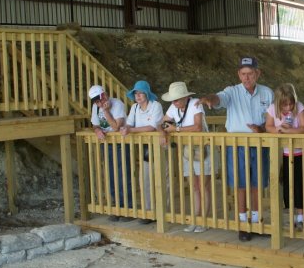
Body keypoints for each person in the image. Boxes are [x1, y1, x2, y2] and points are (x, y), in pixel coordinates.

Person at [198, 56, 273, 242]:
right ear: (238, 74)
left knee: (257, 183)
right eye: (243, 74)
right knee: (240, 184)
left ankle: (256, 222)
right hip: (237, 143)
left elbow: (273, 117)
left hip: (260, 142)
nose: (247, 77)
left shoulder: (267, 93)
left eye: (250, 73)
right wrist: (210, 99)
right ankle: (242, 223)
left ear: (258, 73)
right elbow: (219, 99)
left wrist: (262, 127)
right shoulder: (231, 91)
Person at [161, 81, 212, 233]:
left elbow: (198, 127)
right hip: (187, 148)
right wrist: (163, 133)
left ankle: (204, 220)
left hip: (202, 148)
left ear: (184, 97)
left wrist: (175, 129)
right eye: (173, 99)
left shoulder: (196, 103)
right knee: (194, 186)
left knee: (204, 185)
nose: (174, 102)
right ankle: (196, 218)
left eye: (176, 99)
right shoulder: (173, 107)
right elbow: (163, 123)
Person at [265, 83, 304, 227]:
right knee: (285, 184)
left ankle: (301, 217)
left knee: (299, 184)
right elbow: (268, 126)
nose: (289, 107)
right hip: (281, 153)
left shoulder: (299, 107)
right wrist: (278, 129)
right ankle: (291, 215)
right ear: (278, 103)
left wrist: (288, 131)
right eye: (285, 105)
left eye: (291, 104)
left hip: (298, 152)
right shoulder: (272, 109)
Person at [120, 80, 163, 224]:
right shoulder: (134, 108)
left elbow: (152, 127)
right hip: (143, 147)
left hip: (157, 146)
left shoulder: (156, 106)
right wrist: (125, 128)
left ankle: (163, 212)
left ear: (147, 94)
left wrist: (130, 130)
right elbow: (129, 123)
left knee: (161, 180)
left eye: (140, 93)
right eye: (135, 93)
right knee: (144, 179)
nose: (138, 96)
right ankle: (148, 211)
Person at [88, 85, 132, 220]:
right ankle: (116, 206)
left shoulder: (117, 104)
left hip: (119, 143)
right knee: (111, 175)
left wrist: (106, 111)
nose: (100, 102)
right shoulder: (95, 107)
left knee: (123, 174)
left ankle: (127, 208)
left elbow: (116, 127)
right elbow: (95, 124)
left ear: (105, 94)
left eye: (101, 98)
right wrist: (97, 130)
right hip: (106, 143)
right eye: (96, 101)